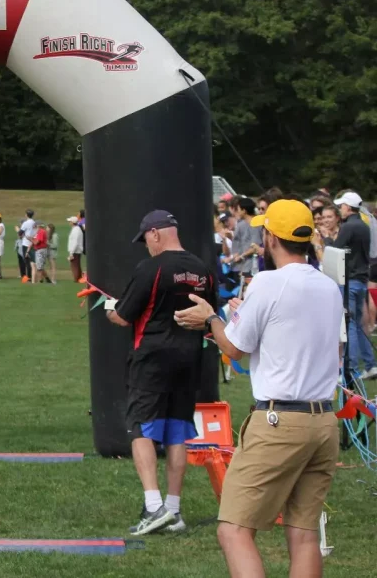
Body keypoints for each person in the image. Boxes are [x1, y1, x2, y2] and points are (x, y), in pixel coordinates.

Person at [174, 199, 341, 578]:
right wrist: (239, 315)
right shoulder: (328, 287)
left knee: (233, 529)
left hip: (280, 421)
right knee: (303, 534)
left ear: (270, 238)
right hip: (324, 421)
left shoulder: (268, 281)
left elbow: (235, 347)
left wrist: (211, 318)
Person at [105, 210, 216, 536]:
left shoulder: (151, 268)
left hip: (152, 358)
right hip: (189, 358)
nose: (145, 246)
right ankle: (174, 510)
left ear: (155, 234)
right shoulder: (202, 269)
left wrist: (112, 308)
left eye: (145, 240)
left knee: (141, 427)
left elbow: (125, 317)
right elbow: (208, 314)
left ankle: (153, 507)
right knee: (177, 432)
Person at [331, 191, 377, 379]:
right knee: (358, 325)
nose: (340, 209)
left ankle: (352, 369)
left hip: (349, 280)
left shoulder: (348, 226)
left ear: (348, 207)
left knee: (349, 325)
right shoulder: (364, 225)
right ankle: (370, 364)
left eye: (341, 206)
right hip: (361, 280)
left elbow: (334, 250)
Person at [67, 215, 86, 282]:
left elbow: (75, 242)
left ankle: (76, 279)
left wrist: (71, 253)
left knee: (74, 265)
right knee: (76, 265)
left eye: (70, 221)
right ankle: (79, 278)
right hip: (76, 250)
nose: (69, 223)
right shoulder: (76, 229)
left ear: (72, 222)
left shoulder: (76, 230)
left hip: (75, 251)